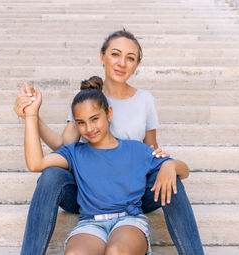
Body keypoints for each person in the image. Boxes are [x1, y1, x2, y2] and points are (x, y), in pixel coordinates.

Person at [15, 30, 204, 255]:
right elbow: (64, 146)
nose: (122, 63)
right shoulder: (86, 100)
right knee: (51, 175)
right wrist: (32, 117)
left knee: (171, 178)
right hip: (90, 191)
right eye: (115, 54)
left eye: (130, 58)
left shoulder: (144, 102)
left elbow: (151, 148)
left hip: (132, 189)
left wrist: (168, 165)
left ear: (136, 64)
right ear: (102, 56)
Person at [24, 76, 189, 255]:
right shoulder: (74, 152)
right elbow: (36, 164)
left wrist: (170, 165)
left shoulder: (135, 149)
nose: (89, 128)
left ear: (109, 113)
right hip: (90, 224)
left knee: (116, 251)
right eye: (81, 122)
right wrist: (31, 115)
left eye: (94, 119)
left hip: (128, 221)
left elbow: (185, 170)